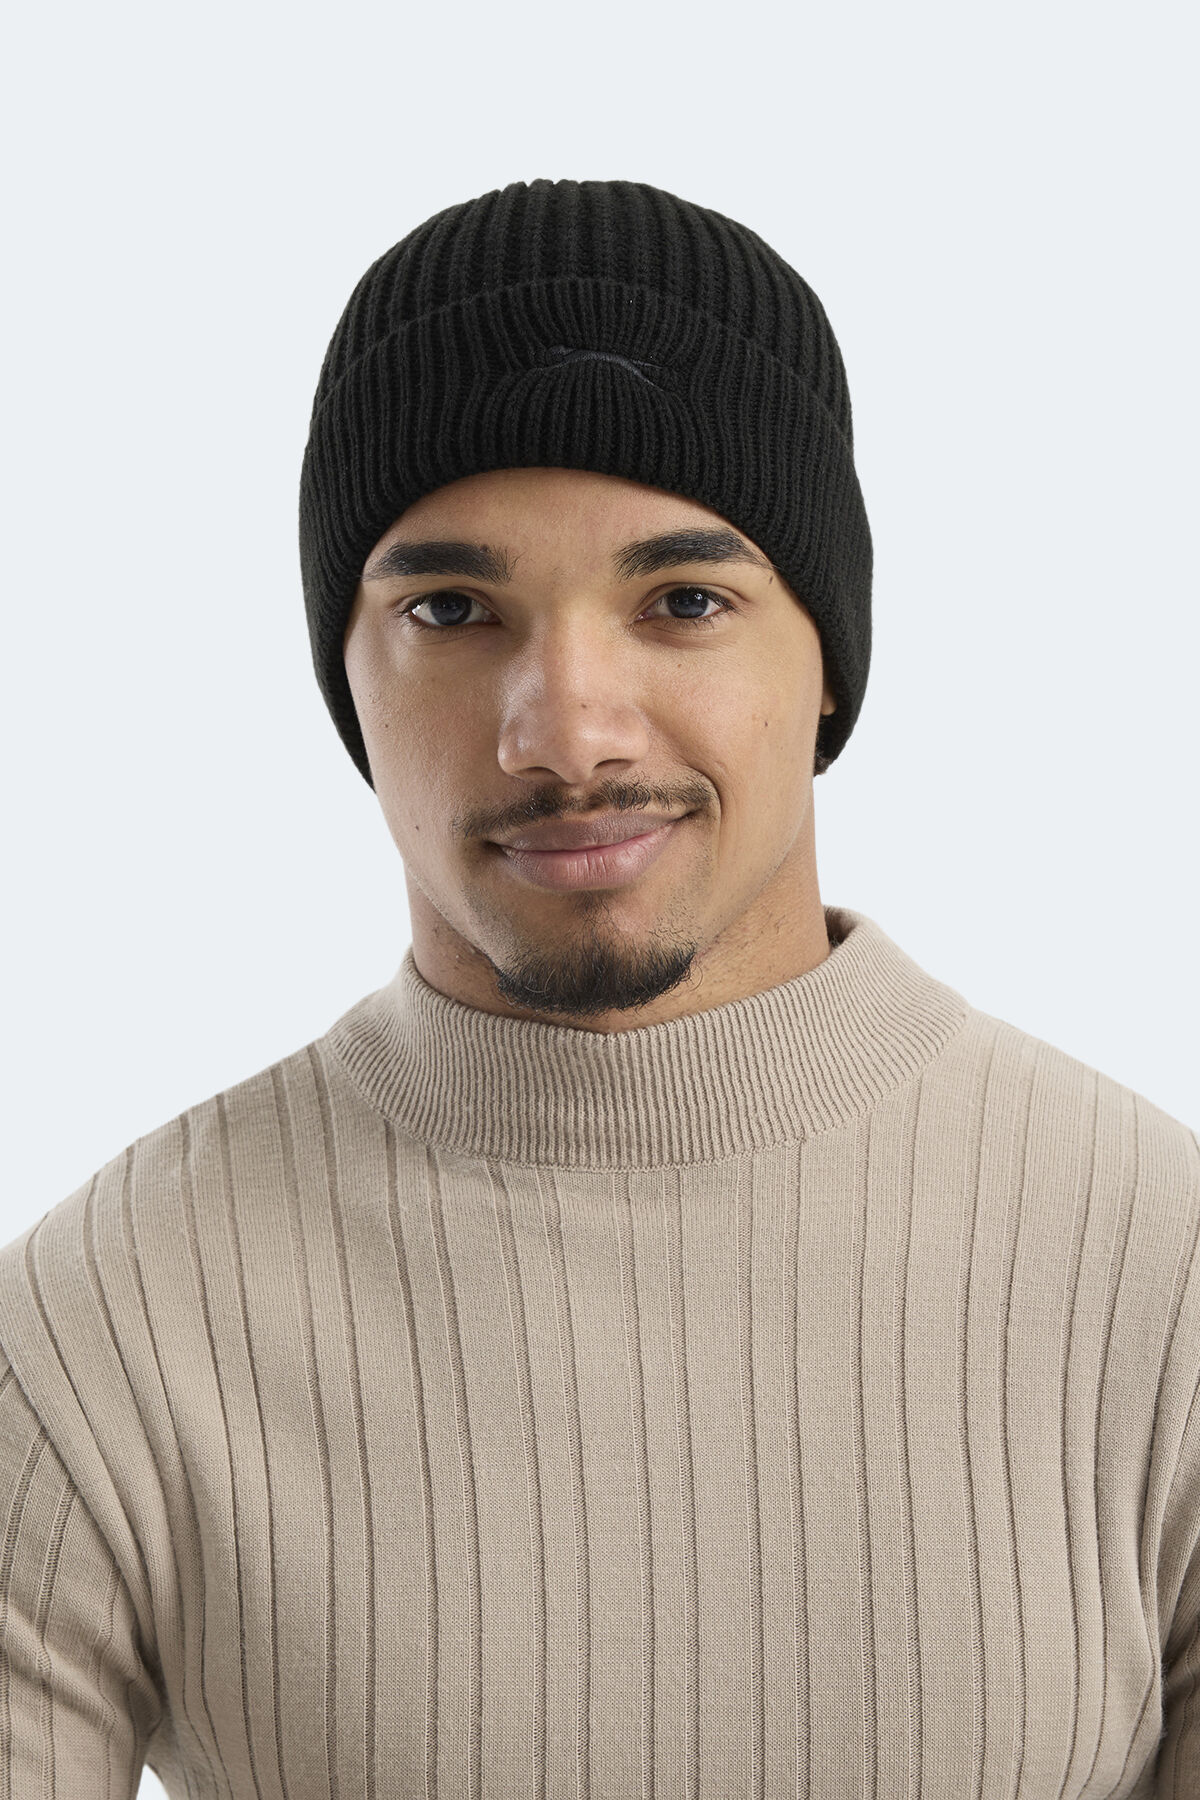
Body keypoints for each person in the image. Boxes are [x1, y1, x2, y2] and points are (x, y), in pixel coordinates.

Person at [1, 177, 1196, 1798]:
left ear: (827, 656)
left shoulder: (1160, 1279)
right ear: (344, 674)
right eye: (450, 610)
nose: (568, 731)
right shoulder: (102, 1327)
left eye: (684, 602)